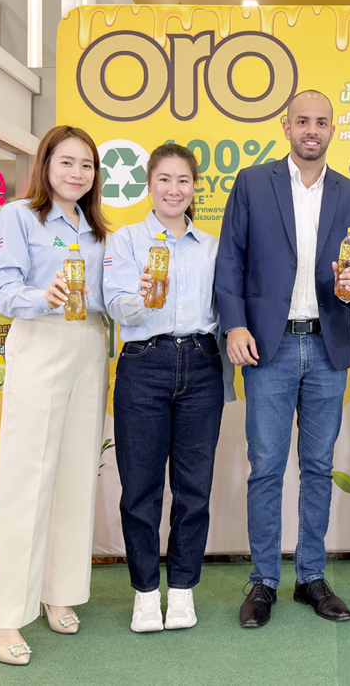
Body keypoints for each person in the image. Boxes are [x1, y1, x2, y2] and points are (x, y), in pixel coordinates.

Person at [215, 90, 350, 628]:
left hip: (328, 345)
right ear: (286, 126)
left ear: (332, 129)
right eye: (303, 121)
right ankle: (264, 580)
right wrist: (235, 324)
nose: (312, 129)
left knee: (317, 467)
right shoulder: (251, 183)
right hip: (269, 345)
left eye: (321, 122)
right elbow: (230, 259)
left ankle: (311, 576)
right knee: (265, 467)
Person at [0, 125, 110, 665]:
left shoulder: (98, 229)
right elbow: (1, 288)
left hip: (90, 345)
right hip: (40, 340)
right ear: (46, 165)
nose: (77, 173)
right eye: (67, 162)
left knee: (76, 475)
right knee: (26, 478)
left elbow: (109, 296)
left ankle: (60, 593)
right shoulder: (19, 216)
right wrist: (43, 295)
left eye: (87, 165)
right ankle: (4, 615)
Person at [103, 143, 234, 634]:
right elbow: (115, 304)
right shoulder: (126, 240)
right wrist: (142, 297)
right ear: (149, 184)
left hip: (201, 364)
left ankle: (181, 590)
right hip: (143, 364)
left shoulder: (213, 246)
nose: (174, 189)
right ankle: (144, 593)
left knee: (193, 488)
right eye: (164, 179)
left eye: (183, 180)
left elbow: (227, 309)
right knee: (140, 488)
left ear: (195, 187)